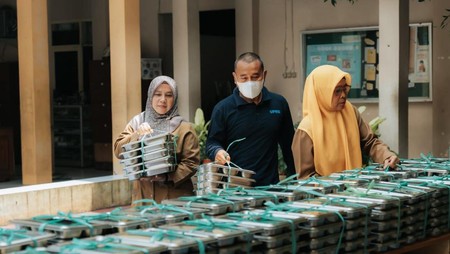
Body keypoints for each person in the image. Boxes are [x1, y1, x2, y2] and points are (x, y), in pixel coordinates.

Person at [292, 65, 399, 178]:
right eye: (337, 91)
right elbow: (306, 177)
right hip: (326, 194)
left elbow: (370, 141)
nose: (343, 95)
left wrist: (386, 156)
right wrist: (336, 186)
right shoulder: (307, 129)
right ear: (321, 93)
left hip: (354, 188)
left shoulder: (350, 112)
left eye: (344, 89)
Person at [206, 52, 295, 186]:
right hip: (234, 189)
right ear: (235, 78)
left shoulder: (279, 104)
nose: (250, 82)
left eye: (255, 77)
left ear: (264, 75)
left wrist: (294, 179)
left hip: (270, 187)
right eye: (244, 78)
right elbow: (211, 143)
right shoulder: (223, 109)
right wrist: (218, 151)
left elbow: (289, 146)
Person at [114, 75, 200, 203]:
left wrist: (167, 177)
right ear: (150, 96)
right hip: (143, 199)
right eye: (157, 94)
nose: (163, 100)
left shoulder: (184, 128)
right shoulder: (137, 122)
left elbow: (191, 163)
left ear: (175, 98)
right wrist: (137, 134)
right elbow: (118, 151)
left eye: (169, 95)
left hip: (174, 200)